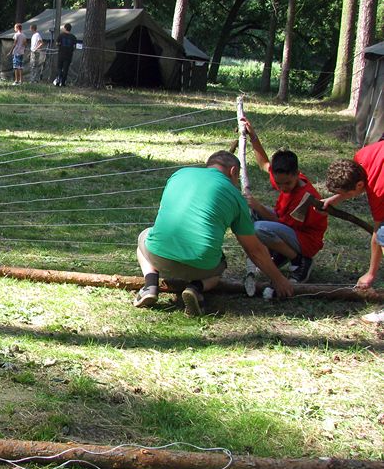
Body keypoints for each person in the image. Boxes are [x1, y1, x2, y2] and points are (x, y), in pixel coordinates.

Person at [134, 150, 293, 316]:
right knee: (220, 265)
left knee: (145, 236)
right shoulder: (236, 197)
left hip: (159, 257)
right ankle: (196, 288)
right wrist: (279, 279)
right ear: (233, 171)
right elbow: (254, 250)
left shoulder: (179, 174)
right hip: (202, 267)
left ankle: (150, 286)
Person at [243, 118, 327, 283]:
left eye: (287, 183)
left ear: (297, 174)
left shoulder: (305, 197)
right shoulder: (284, 178)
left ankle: (300, 261)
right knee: (251, 213)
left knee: (259, 228)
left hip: (306, 240)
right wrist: (253, 137)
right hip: (288, 228)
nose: (282, 187)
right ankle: (279, 253)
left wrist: (258, 206)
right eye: (278, 183)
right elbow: (264, 164)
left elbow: (282, 224)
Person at [324, 141, 384, 322]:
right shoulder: (361, 157)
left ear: (359, 185)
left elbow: (378, 233)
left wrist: (370, 273)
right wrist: (336, 198)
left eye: (347, 194)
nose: (346, 197)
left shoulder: (378, 190)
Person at [54, 23, 77, 87]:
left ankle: (58, 81)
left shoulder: (61, 35)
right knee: (65, 69)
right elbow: (74, 46)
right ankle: (63, 83)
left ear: (65, 28)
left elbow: (57, 43)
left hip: (61, 54)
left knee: (59, 68)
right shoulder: (73, 37)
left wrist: (59, 45)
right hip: (69, 55)